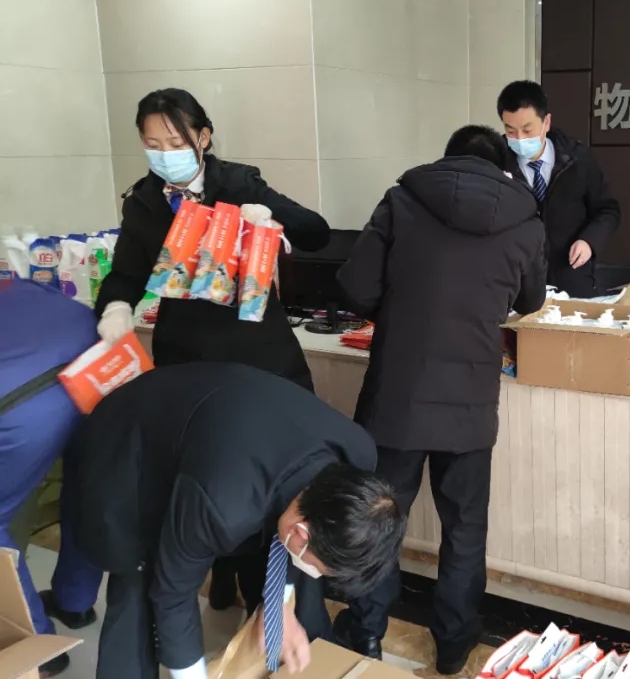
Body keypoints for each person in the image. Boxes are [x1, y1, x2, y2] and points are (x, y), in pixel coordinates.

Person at [93, 88, 332, 611]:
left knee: (269, 478)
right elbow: (126, 273)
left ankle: (267, 602)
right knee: (204, 472)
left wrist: (269, 217)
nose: (163, 153)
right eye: (152, 143)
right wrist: (115, 307)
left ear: (203, 137)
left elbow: (316, 231)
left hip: (259, 356)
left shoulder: (238, 182)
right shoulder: (144, 202)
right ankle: (222, 574)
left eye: (175, 142)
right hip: (190, 361)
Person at [331, 126, 546, 674]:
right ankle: (453, 647)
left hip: (397, 396)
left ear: (446, 161)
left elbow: (356, 285)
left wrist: (402, 307)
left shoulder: (402, 200)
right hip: (471, 404)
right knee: (465, 528)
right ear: (502, 168)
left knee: (378, 519)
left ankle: (367, 633)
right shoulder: (524, 219)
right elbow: (531, 299)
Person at [68, 362, 406, 679]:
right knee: (138, 585)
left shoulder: (357, 460)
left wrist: (278, 607)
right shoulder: (222, 504)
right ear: (301, 533)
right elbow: (174, 593)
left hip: (224, 432)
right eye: (318, 568)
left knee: (291, 592)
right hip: (129, 450)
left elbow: (289, 540)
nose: (314, 573)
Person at [0, 279, 108, 677]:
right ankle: (75, 602)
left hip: (21, 401)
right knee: (86, 482)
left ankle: (38, 650)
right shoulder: (16, 285)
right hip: (99, 362)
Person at [498, 81, 620, 297]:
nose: (520, 139)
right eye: (511, 131)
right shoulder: (496, 161)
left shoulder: (577, 159)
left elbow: (608, 210)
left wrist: (589, 241)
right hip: (516, 282)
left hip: (572, 276)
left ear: (546, 122)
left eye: (527, 130)